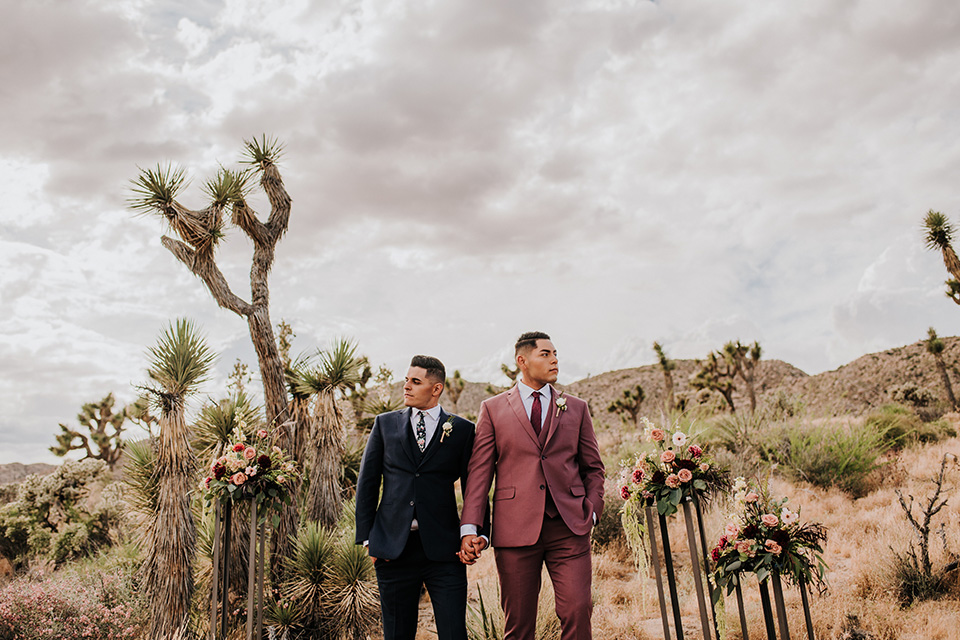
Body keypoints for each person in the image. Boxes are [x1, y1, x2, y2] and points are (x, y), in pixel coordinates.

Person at [459, 332, 605, 640]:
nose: (554, 359)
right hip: (515, 531)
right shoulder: (493, 409)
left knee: (578, 610)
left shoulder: (576, 407)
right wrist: (471, 527)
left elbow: (593, 468)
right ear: (522, 361)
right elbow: (480, 473)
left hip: (569, 526)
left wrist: (591, 512)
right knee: (519, 625)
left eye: (555, 353)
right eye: (545, 354)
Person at [355, 355, 489, 640]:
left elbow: (474, 487)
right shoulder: (384, 424)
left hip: (445, 551)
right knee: (397, 635)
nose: (407, 386)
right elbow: (367, 483)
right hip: (393, 551)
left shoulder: (462, 430)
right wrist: (369, 539)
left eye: (415, 382)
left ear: (436, 388)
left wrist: (477, 534)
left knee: (454, 633)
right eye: (406, 380)